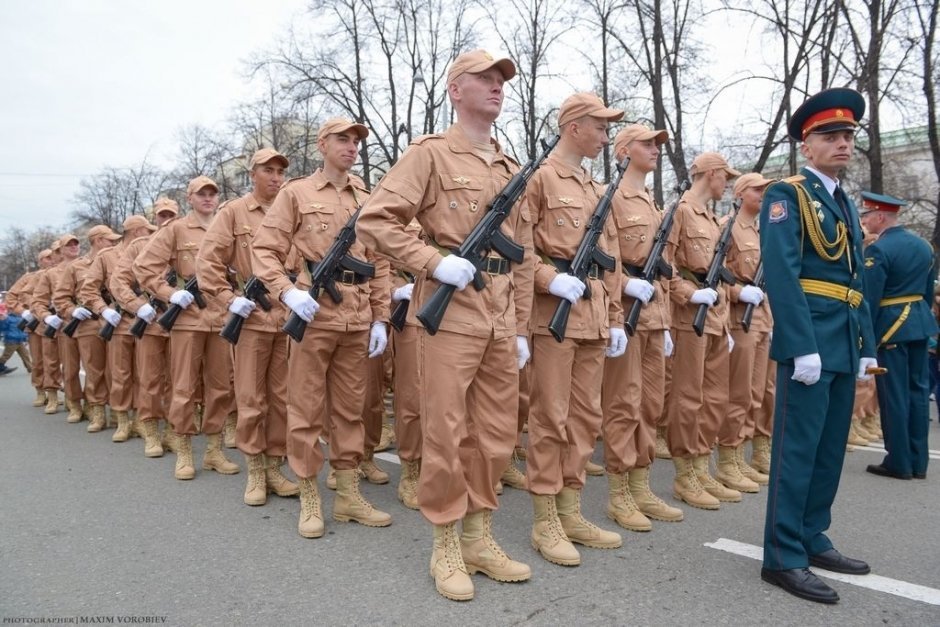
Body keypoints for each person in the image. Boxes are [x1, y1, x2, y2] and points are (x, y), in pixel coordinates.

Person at [356, 50, 535, 602]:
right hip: (452, 309)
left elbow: (523, 255)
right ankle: (446, 544)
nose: (497, 87)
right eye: (484, 79)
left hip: (501, 312)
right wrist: (433, 262)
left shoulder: (511, 166)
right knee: (447, 430)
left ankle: (481, 537)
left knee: (497, 433)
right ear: (456, 90)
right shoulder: (430, 154)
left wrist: (523, 325)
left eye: (502, 80)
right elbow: (374, 220)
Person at [759, 87, 877, 604]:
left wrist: (867, 344)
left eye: (848, 135)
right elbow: (783, 274)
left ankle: (812, 535)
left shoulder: (844, 202)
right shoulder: (788, 196)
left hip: (844, 339)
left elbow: (856, 281)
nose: (843, 143)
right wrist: (800, 344)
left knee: (829, 451)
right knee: (798, 451)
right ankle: (783, 556)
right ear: (807, 146)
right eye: (831, 135)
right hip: (810, 340)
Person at [251, 119, 392, 538]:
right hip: (314, 314)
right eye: (342, 140)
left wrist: (381, 316)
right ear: (322, 145)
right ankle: (310, 493)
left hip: (358, 314)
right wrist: (286, 293)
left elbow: (380, 261)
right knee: (306, 409)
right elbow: (264, 248)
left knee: (350, 410)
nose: (351, 148)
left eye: (355, 142)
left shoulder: (368, 197)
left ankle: (347, 495)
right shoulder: (296, 192)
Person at [523, 92, 626, 567]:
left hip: (592, 316)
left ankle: (571, 509)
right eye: (600, 128)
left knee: (586, 418)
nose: (607, 138)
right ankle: (545, 519)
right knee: (551, 417)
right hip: (553, 319)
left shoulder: (594, 187)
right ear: (574, 127)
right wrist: (549, 278)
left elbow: (612, 259)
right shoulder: (540, 180)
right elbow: (520, 246)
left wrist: (616, 317)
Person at [196, 148, 300, 506]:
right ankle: (256, 470)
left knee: (282, 399)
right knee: (251, 399)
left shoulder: (293, 209)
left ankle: (275, 467)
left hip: (286, 317)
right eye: (267, 170)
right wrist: (228, 299)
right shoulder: (234, 213)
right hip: (252, 318)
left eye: (279, 171)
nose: (275, 177)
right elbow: (207, 263)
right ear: (252, 174)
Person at [601, 123, 684, 532]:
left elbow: (664, 271)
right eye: (647, 143)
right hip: (627, 314)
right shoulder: (610, 197)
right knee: (624, 404)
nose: (655, 149)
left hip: (654, 318)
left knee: (651, 404)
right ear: (624, 150)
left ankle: (641, 484)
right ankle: (619, 494)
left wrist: (666, 322)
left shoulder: (653, 204)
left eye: (657, 144)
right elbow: (600, 259)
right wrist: (620, 293)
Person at [134, 176, 239, 481]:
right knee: (184, 387)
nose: (208, 198)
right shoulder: (176, 229)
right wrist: (168, 294)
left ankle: (214, 450)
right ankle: (183, 449)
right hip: (189, 317)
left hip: (220, 315)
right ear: (190, 198)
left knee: (220, 386)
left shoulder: (227, 226)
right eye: (201, 194)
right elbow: (144, 266)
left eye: (212, 194)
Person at [664, 151, 741, 509]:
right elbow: (665, 267)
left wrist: (724, 321)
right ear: (710, 174)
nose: (726, 183)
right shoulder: (680, 211)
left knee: (715, 398)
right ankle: (685, 473)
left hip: (715, 319)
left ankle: (701, 464)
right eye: (724, 176)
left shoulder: (712, 219)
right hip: (689, 317)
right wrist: (691, 294)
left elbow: (721, 272)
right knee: (688, 398)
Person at [859, 191, 938, 480]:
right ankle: (919, 463)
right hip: (920, 324)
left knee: (894, 396)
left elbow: (871, 298)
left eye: (867, 215)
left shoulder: (879, 250)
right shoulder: (923, 245)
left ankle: (899, 462)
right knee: (917, 393)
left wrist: (866, 338)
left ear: (880, 216)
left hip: (892, 328)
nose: (865, 221)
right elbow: (928, 291)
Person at [716, 172, 774, 492]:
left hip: (764, 318)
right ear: (740, 193)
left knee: (760, 391)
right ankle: (729, 458)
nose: (763, 194)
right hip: (741, 318)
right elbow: (719, 275)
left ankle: (747, 453)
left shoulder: (763, 230)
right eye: (758, 189)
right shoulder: (728, 226)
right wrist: (739, 293)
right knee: (739, 393)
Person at [109, 199, 178, 458]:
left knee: (179, 382)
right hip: (150, 323)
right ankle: (150, 432)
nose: (166, 219)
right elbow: (119, 281)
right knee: (150, 380)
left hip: (181, 324)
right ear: (155, 219)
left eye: (171, 214)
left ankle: (174, 431)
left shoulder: (185, 240)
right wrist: (138, 306)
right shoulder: (140, 245)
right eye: (162, 215)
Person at [56, 225, 122, 433]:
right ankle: (97, 410)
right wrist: (72, 310)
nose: (114, 243)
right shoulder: (76, 267)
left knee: (116, 370)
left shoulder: (117, 262)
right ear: (98, 241)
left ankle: (117, 411)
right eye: (110, 240)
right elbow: (60, 297)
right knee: (94, 369)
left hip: (114, 322)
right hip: (89, 324)